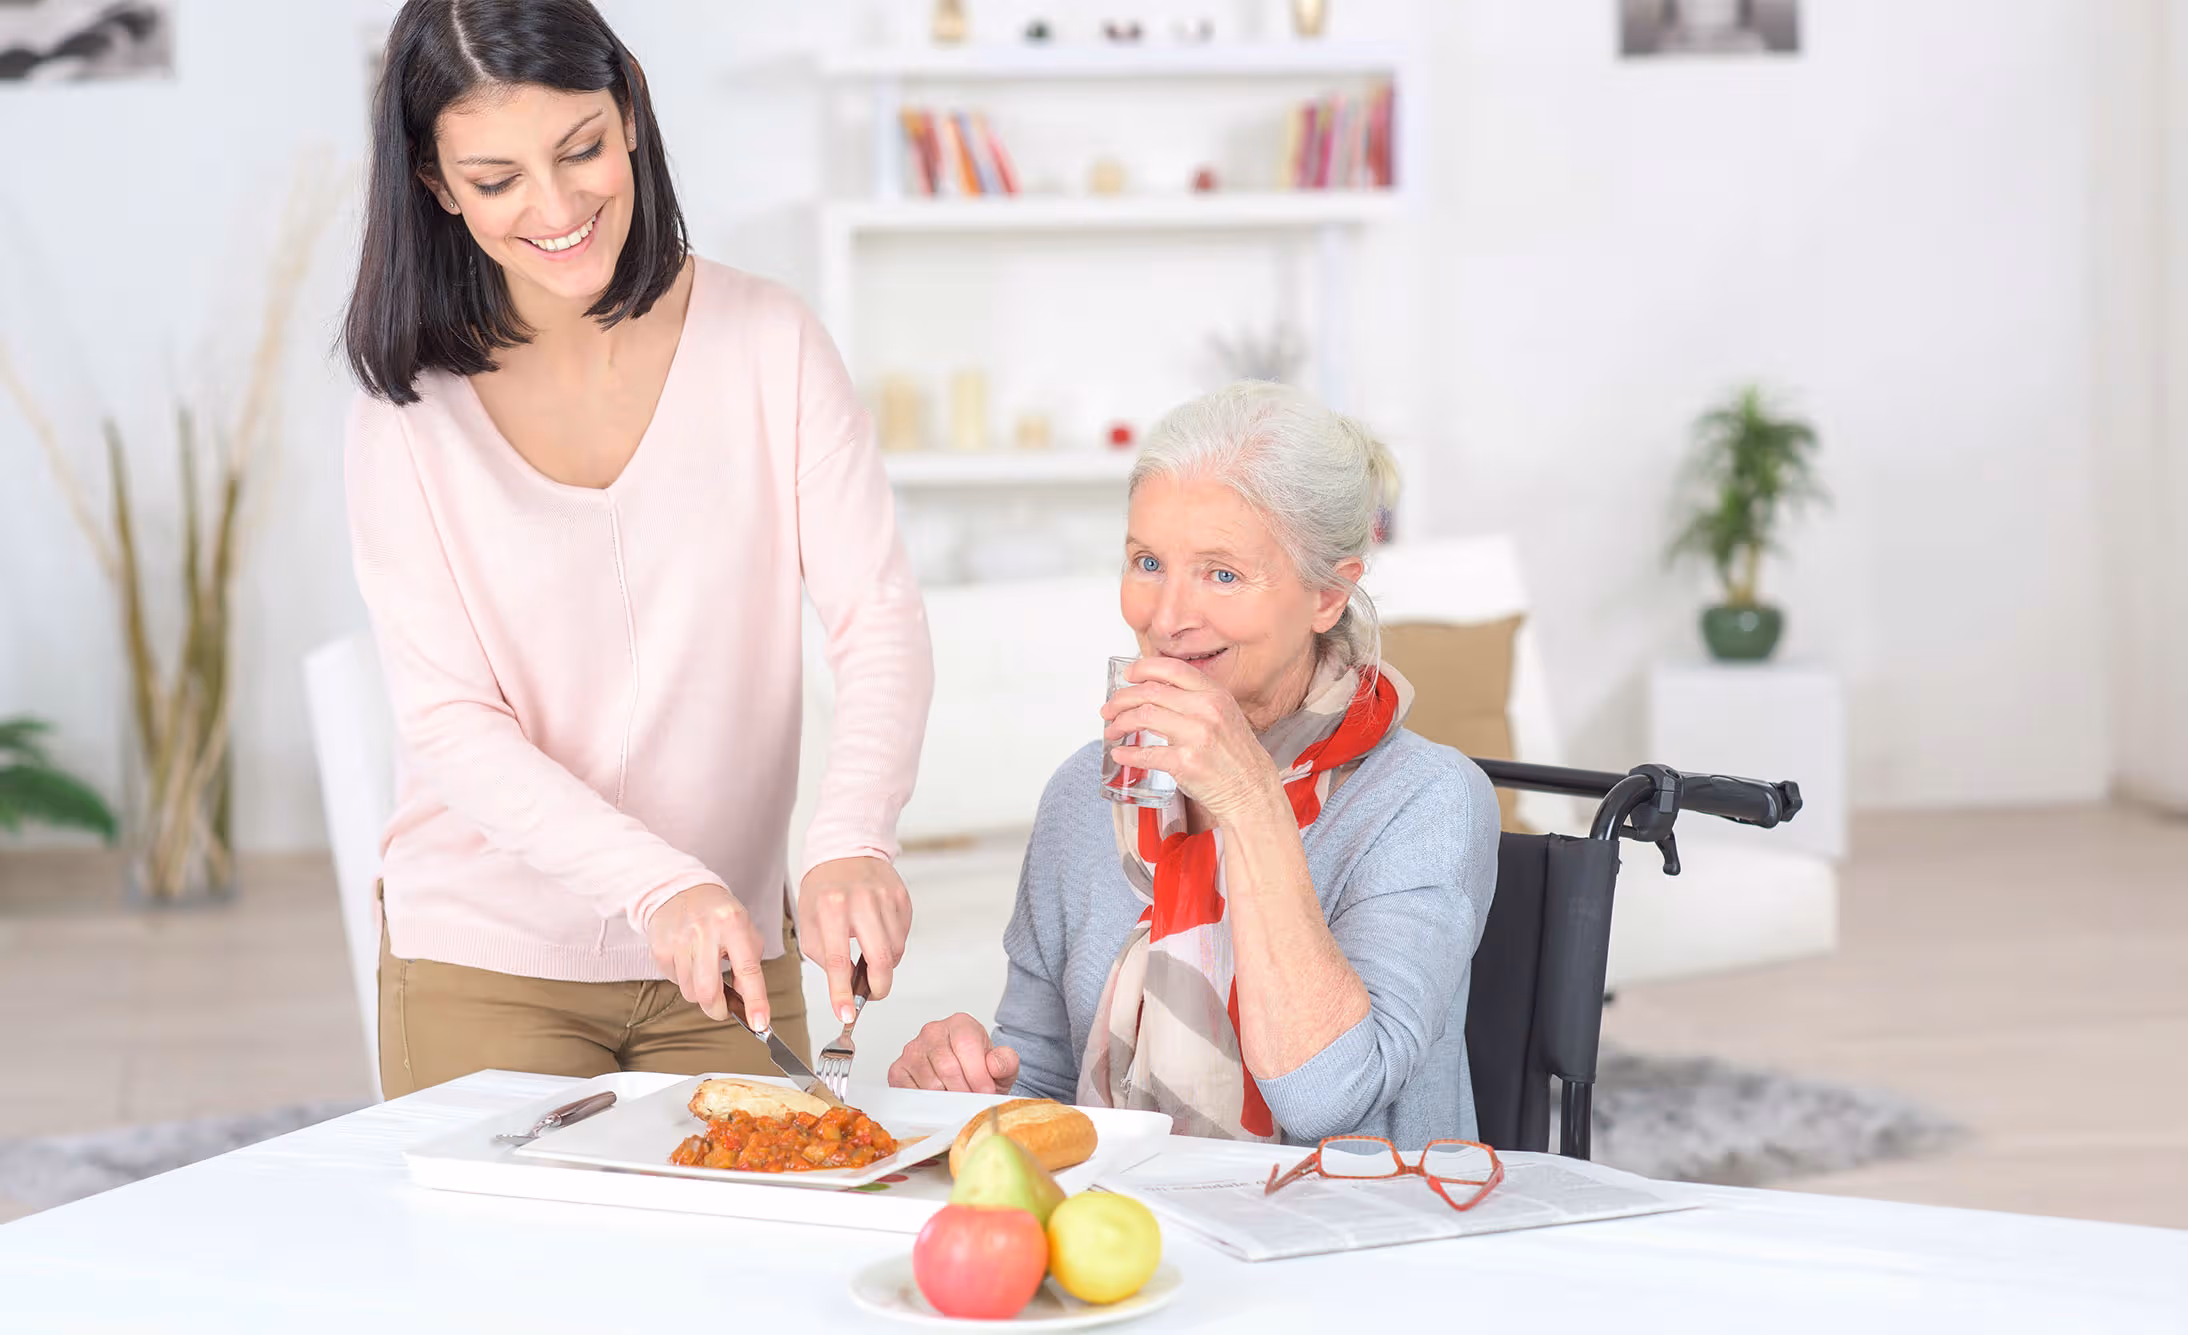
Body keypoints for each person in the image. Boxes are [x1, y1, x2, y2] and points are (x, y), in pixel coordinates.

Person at [342, 0, 930, 1097]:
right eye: (497, 179)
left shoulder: (770, 342)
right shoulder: (408, 413)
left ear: (630, 110)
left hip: (728, 962)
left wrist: (853, 837)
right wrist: (659, 886)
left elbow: (877, 616)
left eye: (581, 151)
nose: (557, 208)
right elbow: (451, 722)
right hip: (489, 958)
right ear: (436, 183)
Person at [888, 382, 1500, 1145]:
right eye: (1147, 561)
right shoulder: (1085, 792)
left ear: (1328, 595)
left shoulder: (1429, 800)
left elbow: (1325, 1097)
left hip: (1354, 1215)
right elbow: (1044, 1076)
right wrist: (970, 1081)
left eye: (1222, 573)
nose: (1168, 617)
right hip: (1125, 1214)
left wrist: (1248, 801)